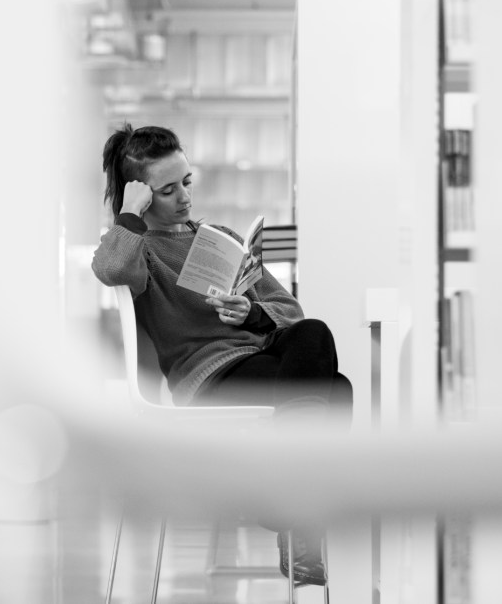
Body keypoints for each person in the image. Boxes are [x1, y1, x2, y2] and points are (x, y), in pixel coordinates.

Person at [91, 122, 353, 587]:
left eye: (187, 182)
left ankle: (285, 501)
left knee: (314, 333)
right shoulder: (141, 252)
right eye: (167, 190)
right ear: (142, 196)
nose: (184, 197)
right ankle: (300, 523)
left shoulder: (219, 237)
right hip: (209, 379)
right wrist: (128, 214)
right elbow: (109, 268)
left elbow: (289, 311)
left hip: (261, 357)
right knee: (336, 390)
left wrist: (251, 313)